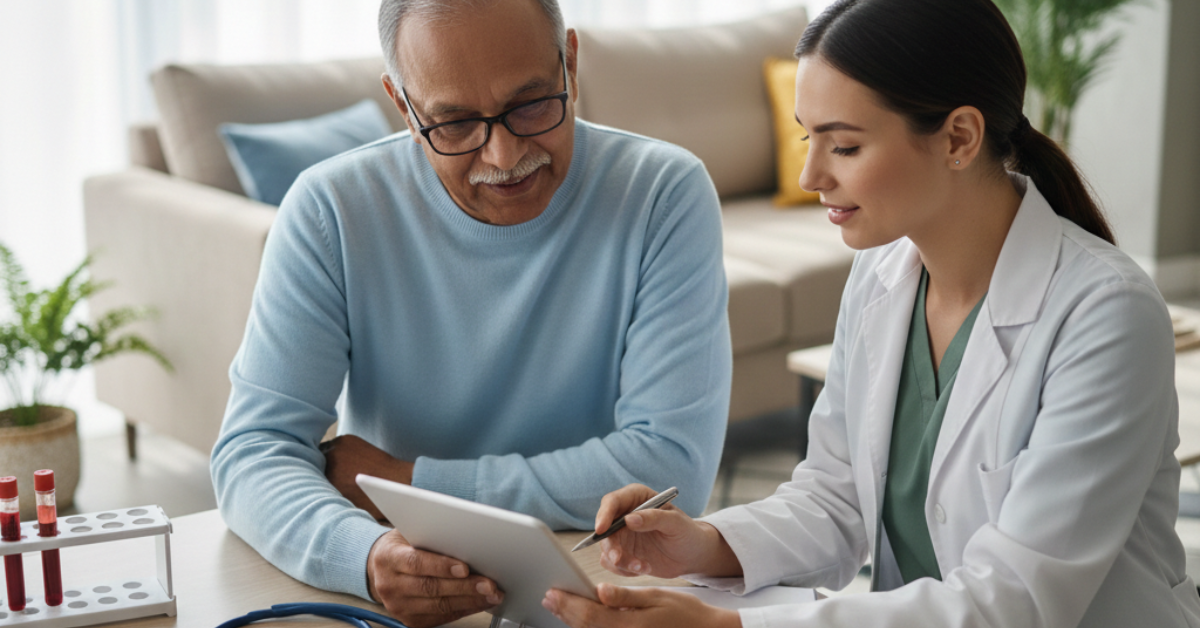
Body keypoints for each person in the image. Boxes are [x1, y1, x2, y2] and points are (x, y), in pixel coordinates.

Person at [541, 0, 1200, 626]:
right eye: (808, 139)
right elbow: (835, 495)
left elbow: (1014, 603)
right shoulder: (882, 275)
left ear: (959, 138)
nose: (810, 176)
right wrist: (704, 544)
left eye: (844, 146)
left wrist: (729, 627)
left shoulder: (1106, 317)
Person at [209, 0, 732, 625]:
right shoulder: (331, 211)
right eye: (454, 124)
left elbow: (669, 469)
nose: (504, 157)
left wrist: (410, 483)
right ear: (403, 106)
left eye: (532, 104)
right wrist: (366, 554)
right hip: (409, 591)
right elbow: (254, 451)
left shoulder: (663, 194)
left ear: (569, 60)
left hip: (598, 591)